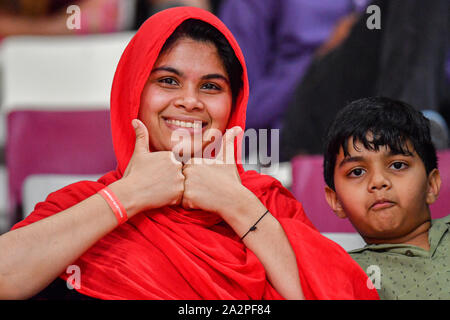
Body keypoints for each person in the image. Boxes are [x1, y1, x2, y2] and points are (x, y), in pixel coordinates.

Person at [0, 7, 379, 300]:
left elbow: (328, 291)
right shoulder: (83, 204)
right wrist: (128, 197)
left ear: (233, 105)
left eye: (211, 86)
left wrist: (237, 205)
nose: (190, 101)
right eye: (168, 81)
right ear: (134, 91)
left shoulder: (268, 204)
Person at [323, 97, 450, 299]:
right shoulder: (341, 275)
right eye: (357, 172)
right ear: (336, 200)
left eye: (398, 165)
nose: (379, 181)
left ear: (431, 185)